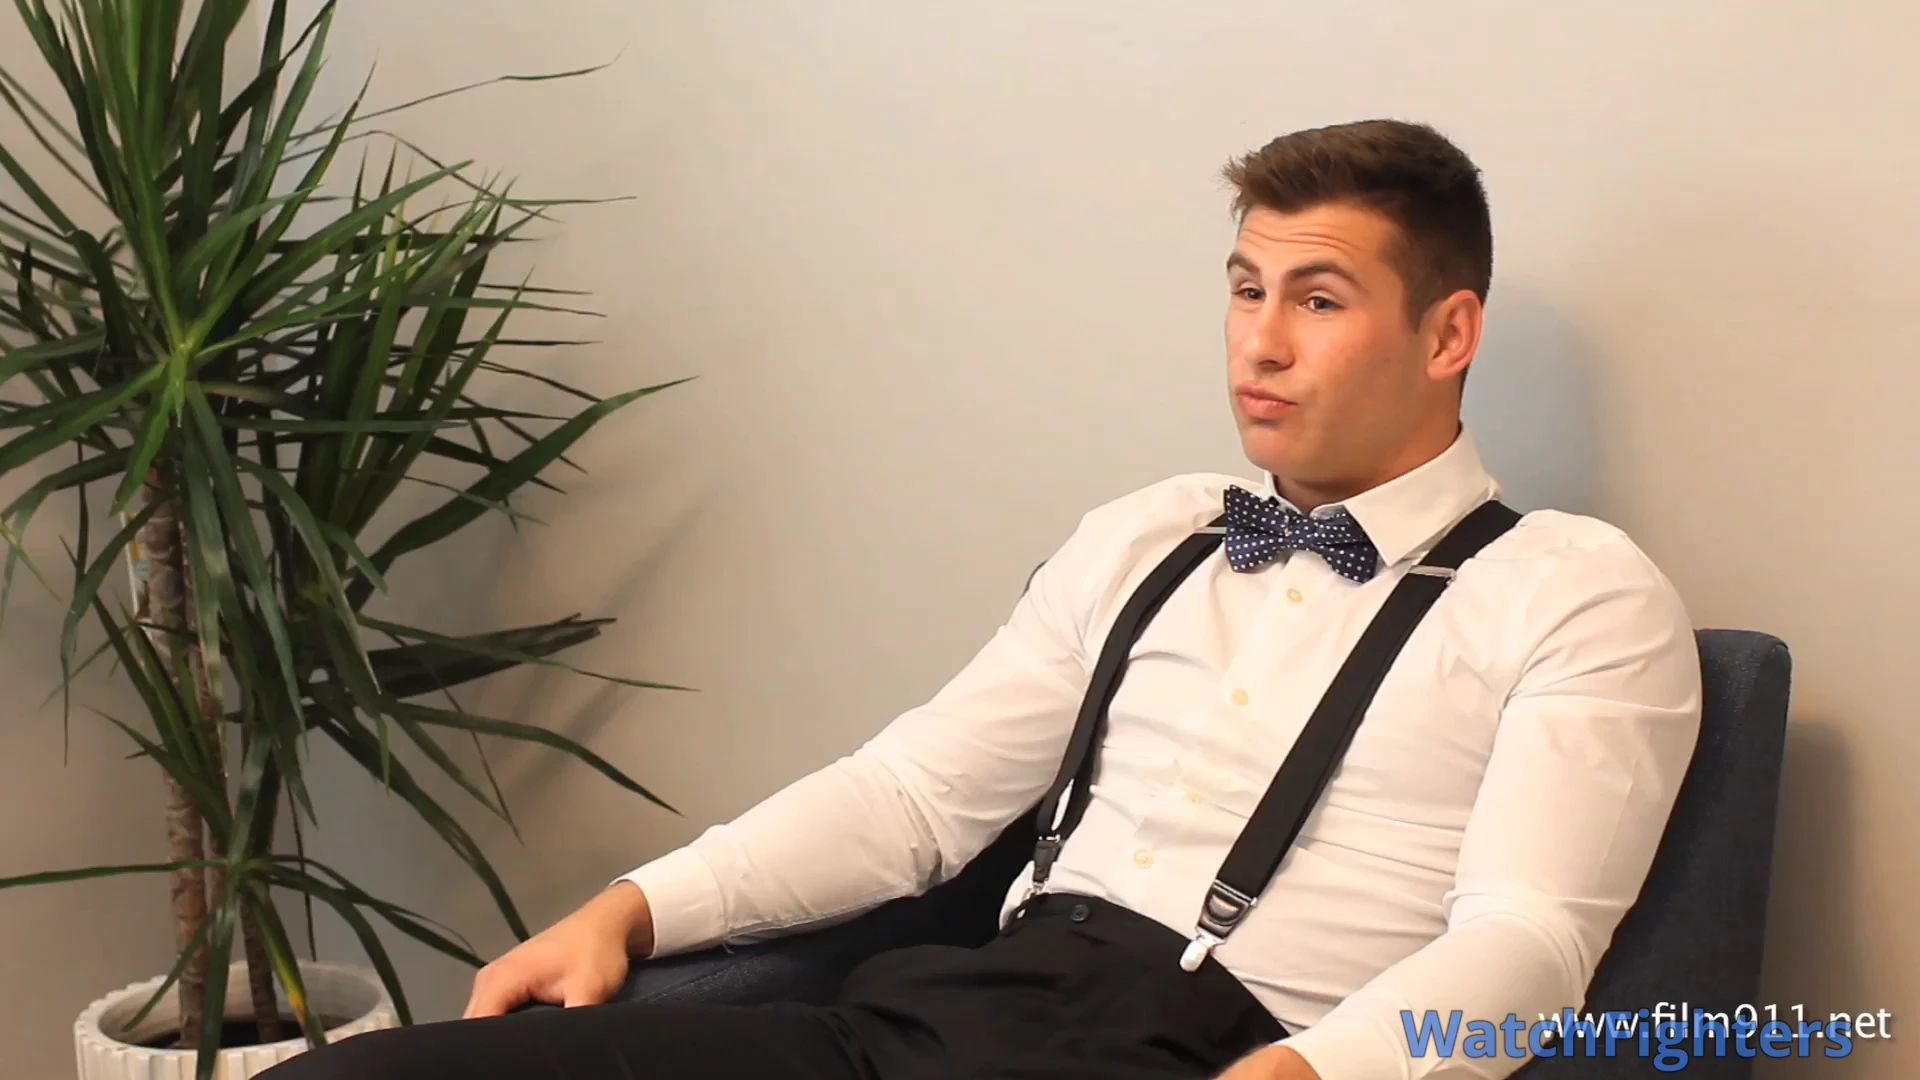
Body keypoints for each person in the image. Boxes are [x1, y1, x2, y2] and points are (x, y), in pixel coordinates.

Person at [264, 119, 1702, 1080]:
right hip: (930, 1018)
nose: (1258, 344)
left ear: (1449, 334)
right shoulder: (1149, 532)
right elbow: (914, 798)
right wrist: (635, 908)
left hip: (1237, 1048)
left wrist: (1323, 1072)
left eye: (1317, 300)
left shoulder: (1578, 597)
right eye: (1244, 288)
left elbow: (1528, 942)